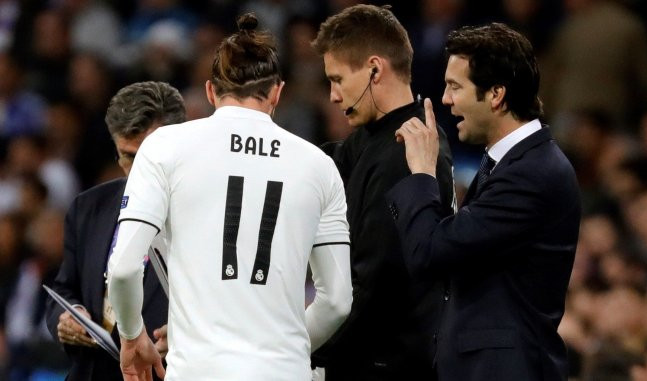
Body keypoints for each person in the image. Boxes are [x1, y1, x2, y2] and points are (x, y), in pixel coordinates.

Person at [107, 14, 352, 381]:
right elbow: (336, 301)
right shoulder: (320, 166)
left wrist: (132, 336)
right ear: (276, 93)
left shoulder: (164, 147)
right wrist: (286, 350)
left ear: (210, 91)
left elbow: (124, 268)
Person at [388, 23, 581, 380]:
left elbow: (429, 252)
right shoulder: (510, 163)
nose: (446, 99)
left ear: (496, 94)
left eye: (455, 87)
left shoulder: (532, 173)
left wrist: (422, 173)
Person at [310, 5, 455, 380]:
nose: (333, 96)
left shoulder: (404, 149)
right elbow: (323, 161)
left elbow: (378, 285)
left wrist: (304, 349)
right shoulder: (381, 137)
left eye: (338, 79)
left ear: (375, 68)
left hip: (387, 363)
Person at [45, 81, 186, 381]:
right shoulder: (88, 207)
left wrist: (188, 340)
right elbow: (64, 289)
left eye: (149, 156)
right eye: (129, 156)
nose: (139, 173)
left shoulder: (208, 215)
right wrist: (69, 315)